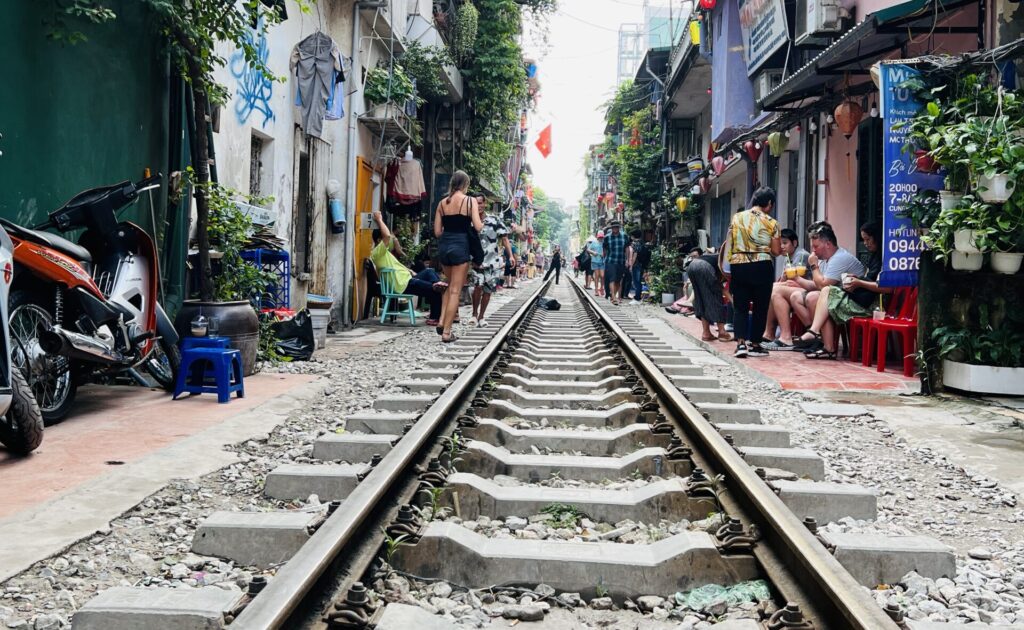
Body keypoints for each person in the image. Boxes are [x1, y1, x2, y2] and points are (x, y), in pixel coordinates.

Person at [793, 222, 890, 358]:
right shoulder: (873, 255)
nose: (866, 243)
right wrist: (858, 279)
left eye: (868, 239)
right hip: (860, 297)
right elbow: (870, 279)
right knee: (821, 295)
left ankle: (819, 337)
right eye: (863, 240)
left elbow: (888, 288)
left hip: (874, 305)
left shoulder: (886, 258)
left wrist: (859, 282)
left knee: (821, 295)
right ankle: (820, 339)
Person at [723, 186, 781, 358]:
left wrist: (727, 267)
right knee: (760, 307)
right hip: (762, 266)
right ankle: (755, 344)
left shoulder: (737, 217)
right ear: (769, 203)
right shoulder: (772, 223)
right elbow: (776, 251)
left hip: (739, 264)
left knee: (740, 306)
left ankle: (740, 344)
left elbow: (730, 242)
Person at [786, 223, 867, 340]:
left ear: (828, 244)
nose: (813, 250)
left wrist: (813, 266)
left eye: (816, 246)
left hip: (855, 301)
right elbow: (816, 284)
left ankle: (822, 340)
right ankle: (816, 336)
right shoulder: (824, 259)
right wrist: (797, 279)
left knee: (813, 297)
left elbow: (822, 285)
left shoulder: (840, 258)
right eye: (812, 247)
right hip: (838, 297)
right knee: (795, 297)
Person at [370, 210, 446, 325]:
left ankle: (437, 284)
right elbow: (387, 235)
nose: (390, 241)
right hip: (402, 284)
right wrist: (379, 219)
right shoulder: (377, 253)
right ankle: (435, 317)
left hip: (408, 279)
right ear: (379, 241)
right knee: (434, 290)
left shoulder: (384, 253)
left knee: (430, 272)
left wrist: (409, 270)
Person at [433, 170, 482, 343]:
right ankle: (447, 332)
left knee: (448, 285)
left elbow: (437, 232)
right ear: (465, 185)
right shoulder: (470, 201)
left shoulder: (441, 204)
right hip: (461, 247)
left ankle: (441, 321)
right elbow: (477, 226)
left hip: (445, 247)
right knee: (455, 290)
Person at [761, 228, 812, 350]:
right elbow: (786, 281)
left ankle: (782, 336)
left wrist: (780, 283)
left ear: (794, 243)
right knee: (771, 289)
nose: (781, 246)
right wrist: (781, 280)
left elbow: (794, 280)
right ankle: (769, 333)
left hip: (806, 289)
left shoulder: (802, 255)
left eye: (785, 243)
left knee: (773, 289)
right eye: (780, 244)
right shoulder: (787, 257)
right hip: (794, 290)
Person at [470, 198, 514, 328]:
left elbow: (504, 238)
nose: (479, 206)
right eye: (476, 203)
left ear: (485, 204)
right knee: (477, 286)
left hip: (492, 261)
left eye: (481, 203)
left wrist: (510, 256)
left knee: (488, 290)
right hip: (476, 261)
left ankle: (482, 316)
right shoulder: (469, 220)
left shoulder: (494, 220)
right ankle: (474, 313)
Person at [687, 250, 732, 341]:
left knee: (702, 299)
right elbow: (721, 288)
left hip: (692, 266)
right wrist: (732, 300)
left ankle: (706, 333)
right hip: (704, 267)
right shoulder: (730, 261)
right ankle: (722, 332)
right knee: (716, 297)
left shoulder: (721, 256)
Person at [602, 220, 630, 306]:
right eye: (613, 227)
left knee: (618, 281)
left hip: (621, 261)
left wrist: (627, 260)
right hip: (610, 261)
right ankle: (614, 298)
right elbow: (605, 249)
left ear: (619, 227)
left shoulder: (624, 236)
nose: (615, 228)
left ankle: (612, 294)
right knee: (612, 279)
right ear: (611, 228)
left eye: (616, 227)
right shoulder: (607, 237)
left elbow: (627, 248)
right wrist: (604, 260)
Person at [629, 231, 651, 303]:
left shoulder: (634, 244)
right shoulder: (643, 243)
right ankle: (639, 297)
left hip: (636, 264)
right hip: (642, 265)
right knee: (639, 281)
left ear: (633, 236)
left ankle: (637, 298)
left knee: (636, 281)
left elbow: (634, 255)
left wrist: (631, 265)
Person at [587, 232, 606, 296]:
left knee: (602, 276)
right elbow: (588, 250)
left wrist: (604, 254)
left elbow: (607, 251)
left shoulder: (604, 243)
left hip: (602, 261)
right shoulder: (594, 242)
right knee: (597, 276)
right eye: (600, 237)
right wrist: (593, 252)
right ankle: (596, 290)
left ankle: (601, 288)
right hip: (595, 261)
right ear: (597, 237)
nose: (601, 238)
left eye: (602, 237)